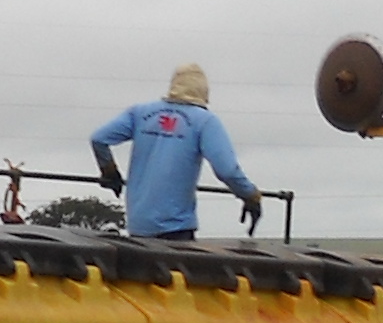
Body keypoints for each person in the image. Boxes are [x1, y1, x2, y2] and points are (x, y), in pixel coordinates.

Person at [93, 66, 262, 239]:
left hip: (138, 227)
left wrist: (110, 171)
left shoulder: (140, 113)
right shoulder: (204, 120)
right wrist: (250, 196)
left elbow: (99, 139)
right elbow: (227, 170)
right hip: (176, 229)